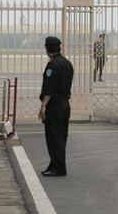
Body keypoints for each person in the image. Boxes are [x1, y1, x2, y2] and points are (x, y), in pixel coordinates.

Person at [38, 36, 74, 177]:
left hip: (55, 104)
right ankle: (54, 164)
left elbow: (49, 88)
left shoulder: (52, 65)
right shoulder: (67, 63)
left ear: (47, 48)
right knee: (61, 135)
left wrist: (43, 106)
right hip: (64, 104)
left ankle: (59, 167)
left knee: (54, 137)